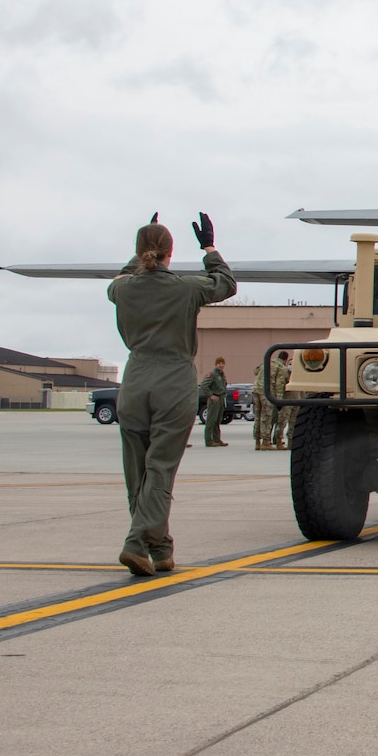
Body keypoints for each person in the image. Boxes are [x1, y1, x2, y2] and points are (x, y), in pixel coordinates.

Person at [108, 213, 235, 577]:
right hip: (174, 382)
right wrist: (209, 247)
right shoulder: (187, 287)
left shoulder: (121, 289)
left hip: (134, 383)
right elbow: (226, 283)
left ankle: (161, 548)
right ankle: (136, 544)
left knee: (137, 474)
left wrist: (139, 255)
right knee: (160, 470)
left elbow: (122, 277)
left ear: (138, 252)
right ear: (170, 252)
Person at [199, 357, 229, 448]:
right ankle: (208, 440)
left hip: (221, 399)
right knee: (211, 420)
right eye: (219, 363)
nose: (221, 365)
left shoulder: (222, 374)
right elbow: (204, 385)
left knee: (218, 420)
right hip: (214, 400)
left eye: (222, 363)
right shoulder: (212, 374)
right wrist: (211, 395)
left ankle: (217, 439)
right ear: (216, 364)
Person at [270, 349, 295, 449]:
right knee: (282, 421)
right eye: (290, 363)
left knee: (293, 422)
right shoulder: (284, 371)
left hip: (296, 401)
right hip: (287, 399)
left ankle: (291, 443)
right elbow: (280, 384)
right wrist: (279, 400)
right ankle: (278, 440)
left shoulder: (299, 375)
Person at [252, 358, 274, 450]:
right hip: (264, 391)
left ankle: (257, 441)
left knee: (257, 416)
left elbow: (255, 371)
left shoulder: (262, 364)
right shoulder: (275, 367)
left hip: (255, 389)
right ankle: (265, 442)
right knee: (266, 416)